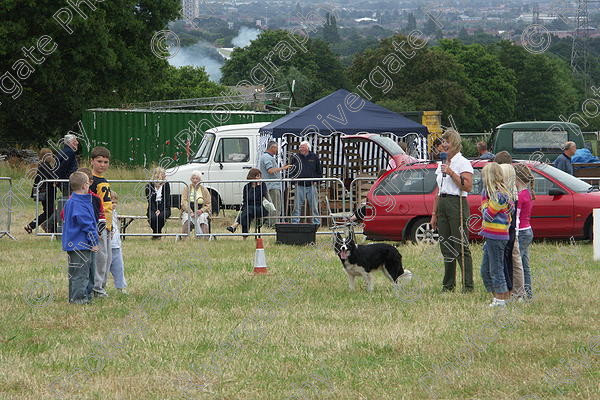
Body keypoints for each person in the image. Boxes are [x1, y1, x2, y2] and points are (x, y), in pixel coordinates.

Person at [430, 129, 474, 292]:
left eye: (447, 142)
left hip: (457, 203)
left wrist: (451, 172)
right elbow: (439, 189)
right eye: (443, 142)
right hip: (443, 203)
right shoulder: (441, 163)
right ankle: (448, 285)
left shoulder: (462, 162)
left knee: (461, 245)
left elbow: (467, 185)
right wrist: (434, 213)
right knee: (445, 246)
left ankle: (467, 285)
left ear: (454, 143)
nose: (444, 145)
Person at [61, 171, 99, 304]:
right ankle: (79, 299)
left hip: (74, 244)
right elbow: (87, 225)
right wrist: (94, 241)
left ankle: (78, 296)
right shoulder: (80, 204)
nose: (89, 185)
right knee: (81, 274)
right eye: (88, 183)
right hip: (81, 244)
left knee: (76, 273)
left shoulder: (71, 202)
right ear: (84, 186)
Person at [479, 162, 513, 307]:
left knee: (496, 269)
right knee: (485, 270)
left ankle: (501, 299)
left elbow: (488, 215)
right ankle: (497, 296)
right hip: (491, 235)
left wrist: (484, 203)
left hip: (496, 237)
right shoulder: (495, 195)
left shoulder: (499, 196)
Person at [89, 146, 113, 298]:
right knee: (100, 257)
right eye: (99, 161)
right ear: (92, 161)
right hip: (98, 224)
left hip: (108, 224)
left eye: (105, 162)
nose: (102, 165)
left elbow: (108, 205)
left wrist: (111, 225)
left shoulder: (104, 180)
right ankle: (97, 288)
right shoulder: (90, 181)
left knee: (107, 258)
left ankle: (101, 286)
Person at [227, 168, 270, 237]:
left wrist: (258, 186)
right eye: (257, 176)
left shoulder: (262, 185)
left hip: (260, 208)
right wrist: (244, 208)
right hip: (249, 209)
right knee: (246, 214)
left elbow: (261, 196)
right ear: (252, 176)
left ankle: (235, 225)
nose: (260, 178)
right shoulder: (247, 187)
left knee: (248, 210)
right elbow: (245, 200)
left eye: (260, 176)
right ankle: (244, 236)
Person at [514, 163, 536, 299]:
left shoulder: (520, 196)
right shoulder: (527, 193)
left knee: (517, 265)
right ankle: (528, 292)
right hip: (527, 230)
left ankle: (519, 293)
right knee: (524, 264)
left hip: (521, 232)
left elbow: (516, 217)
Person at [25, 148, 58, 234]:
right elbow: (51, 177)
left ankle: (33, 226)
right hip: (46, 193)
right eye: (50, 155)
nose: (52, 157)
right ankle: (33, 225)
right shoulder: (45, 166)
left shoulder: (43, 165)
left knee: (49, 212)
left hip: (46, 192)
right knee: (49, 212)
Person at [259, 141, 290, 225]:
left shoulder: (265, 157)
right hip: (272, 186)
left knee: (271, 207)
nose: (277, 150)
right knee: (275, 207)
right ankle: (273, 224)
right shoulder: (268, 158)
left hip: (270, 186)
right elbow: (270, 170)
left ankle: (269, 224)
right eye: (276, 148)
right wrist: (283, 168)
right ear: (272, 148)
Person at [291, 141, 322, 225]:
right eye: (300, 147)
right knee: (297, 206)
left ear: (308, 148)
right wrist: (293, 181)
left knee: (314, 206)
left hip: (311, 185)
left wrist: (317, 181)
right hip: (299, 185)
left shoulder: (314, 157)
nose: (301, 149)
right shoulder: (295, 157)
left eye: (303, 147)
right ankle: (295, 222)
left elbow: (319, 170)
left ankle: (316, 223)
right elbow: (291, 170)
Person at [181, 171, 211, 236]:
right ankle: (184, 238)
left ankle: (205, 237)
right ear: (191, 179)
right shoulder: (187, 188)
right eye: (193, 178)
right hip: (188, 211)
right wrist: (190, 212)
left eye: (197, 179)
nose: (195, 180)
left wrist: (201, 211)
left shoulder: (204, 190)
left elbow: (208, 204)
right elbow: (184, 202)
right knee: (187, 219)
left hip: (201, 211)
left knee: (202, 218)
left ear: (200, 180)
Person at [109, 191, 128, 294]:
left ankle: (120, 287)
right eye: (112, 202)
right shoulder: (104, 214)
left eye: (116, 202)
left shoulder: (115, 214)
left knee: (119, 268)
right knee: (103, 270)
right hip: (107, 246)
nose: (114, 204)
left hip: (116, 245)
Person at [145, 167, 171, 238]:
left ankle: (157, 233)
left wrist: (160, 210)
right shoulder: (149, 186)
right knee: (152, 217)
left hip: (164, 206)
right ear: (158, 175)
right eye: (163, 174)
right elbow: (150, 200)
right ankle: (156, 233)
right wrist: (155, 209)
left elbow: (166, 199)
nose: (165, 176)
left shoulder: (166, 185)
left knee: (161, 216)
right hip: (152, 207)